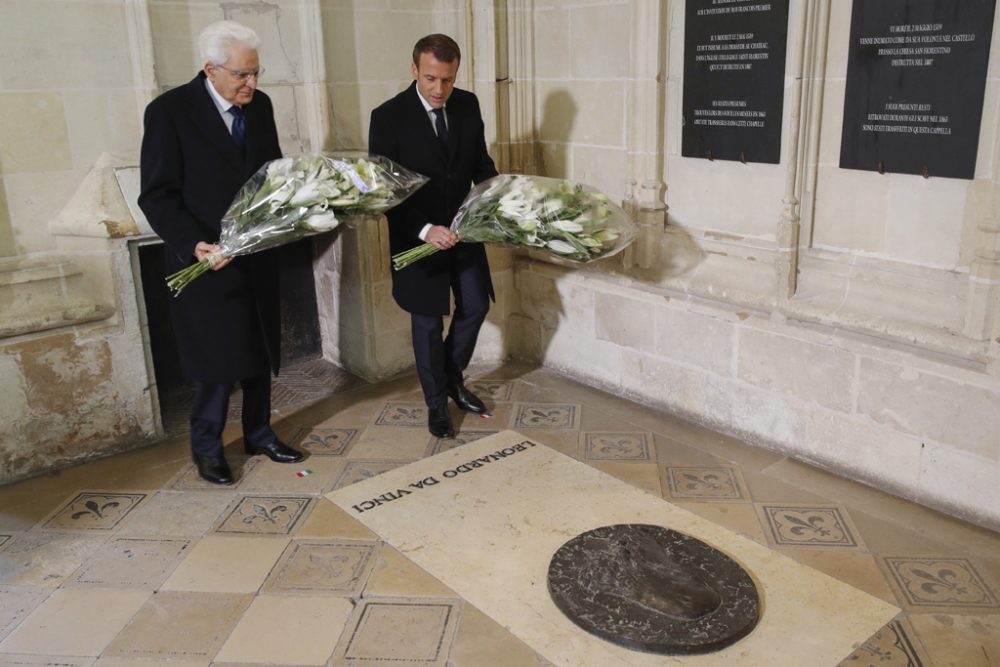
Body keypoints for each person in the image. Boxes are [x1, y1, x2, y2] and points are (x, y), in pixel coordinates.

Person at [139, 20, 303, 485]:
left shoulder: (261, 105)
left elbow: (268, 175)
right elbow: (157, 195)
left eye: (256, 72)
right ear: (210, 69)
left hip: (255, 254)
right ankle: (206, 447)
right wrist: (194, 244)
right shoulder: (169, 112)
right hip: (205, 259)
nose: (252, 84)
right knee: (215, 361)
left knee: (259, 348)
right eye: (241, 75)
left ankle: (259, 432)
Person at [369, 34, 498, 439]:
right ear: (414, 71)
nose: (440, 89)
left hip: (464, 232)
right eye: (430, 79)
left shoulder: (469, 104)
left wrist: (499, 197)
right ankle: (436, 402)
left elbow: (480, 161)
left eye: (448, 79)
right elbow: (386, 190)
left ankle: (451, 378)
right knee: (426, 325)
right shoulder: (387, 117)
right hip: (417, 237)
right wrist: (425, 230)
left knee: (475, 307)